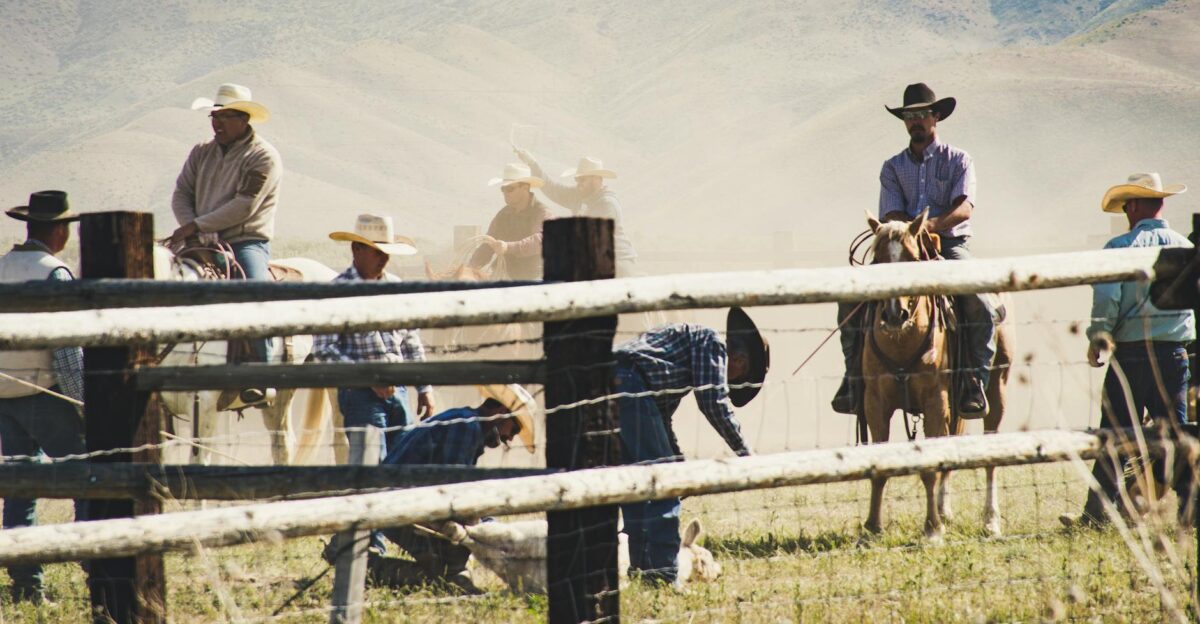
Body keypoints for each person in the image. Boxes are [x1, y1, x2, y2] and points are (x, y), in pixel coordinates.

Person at [833, 82, 994, 418]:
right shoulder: (892, 167)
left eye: (922, 115)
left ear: (936, 117)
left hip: (948, 246)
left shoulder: (959, 160)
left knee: (979, 300)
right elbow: (889, 213)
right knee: (849, 296)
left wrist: (928, 227)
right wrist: (907, 235)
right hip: (901, 249)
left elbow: (964, 208)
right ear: (904, 122)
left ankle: (974, 381)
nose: (916, 122)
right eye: (910, 116)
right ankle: (853, 377)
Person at [1062, 172, 1194, 528]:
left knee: (1114, 435)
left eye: (1125, 207)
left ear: (1133, 206)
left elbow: (1108, 299)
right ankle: (1190, 511)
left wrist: (1099, 336)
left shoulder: (1120, 248)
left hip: (1132, 355)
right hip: (1173, 354)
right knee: (1178, 436)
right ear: (1161, 204)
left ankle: (1096, 515)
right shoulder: (1184, 247)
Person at [324, 386, 534, 591]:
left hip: (405, 502)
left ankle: (363, 564)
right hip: (400, 506)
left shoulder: (468, 424)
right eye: (513, 429)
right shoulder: (467, 427)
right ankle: (365, 567)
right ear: (502, 412)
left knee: (454, 562)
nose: (510, 437)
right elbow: (453, 491)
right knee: (453, 562)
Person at [614, 307, 769, 583]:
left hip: (618, 383)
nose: (727, 380)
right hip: (633, 386)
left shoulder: (682, 353)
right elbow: (714, 404)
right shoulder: (712, 345)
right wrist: (747, 455)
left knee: (638, 486)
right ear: (741, 361)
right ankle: (663, 573)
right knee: (666, 485)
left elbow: (660, 416)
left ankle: (641, 567)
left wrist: (677, 458)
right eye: (736, 378)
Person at [169, 83, 282, 408]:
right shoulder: (200, 152)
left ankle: (260, 376)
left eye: (226, 116)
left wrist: (198, 225)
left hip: (245, 239)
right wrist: (192, 227)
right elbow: (180, 194)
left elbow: (243, 205)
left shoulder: (263, 157)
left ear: (245, 119)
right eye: (214, 116)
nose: (217, 123)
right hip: (198, 238)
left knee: (254, 291)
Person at [0, 190, 88, 604]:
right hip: (45, 393)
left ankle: (25, 584)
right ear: (59, 230)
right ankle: (100, 569)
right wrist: (84, 404)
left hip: (6, 395)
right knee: (86, 481)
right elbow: (67, 355)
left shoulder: (3, 267)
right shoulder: (54, 273)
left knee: (20, 490)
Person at [312, 215, 435, 460]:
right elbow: (324, 349)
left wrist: (424, 387)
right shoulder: (337, 292)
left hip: (397, 389)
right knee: (369, 464)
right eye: (377, 252)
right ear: (356, 249)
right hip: (359, 393)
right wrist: (369, 376)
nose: (384, 259)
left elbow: (410, 341)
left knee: (402, 461)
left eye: (386, 252)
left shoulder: (396, 288)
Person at [514, 150, 639, 276]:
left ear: (597, 180)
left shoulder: (607, 204)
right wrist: (532, 163)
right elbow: (552, 188)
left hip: (618, 264)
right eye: (577, 179)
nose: (578, 183)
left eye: (582, 179)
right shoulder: (578, 196)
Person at [468, 163, 552, 280]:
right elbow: (488, 243)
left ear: (525, 188)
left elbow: (541, 241)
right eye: (503, 189)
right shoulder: (503, 214)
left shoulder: (542, 212)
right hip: (506, 274)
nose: (505, 193)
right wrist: (470, 268)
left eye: (510, 189)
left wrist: (508, 247)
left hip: (534, 277)